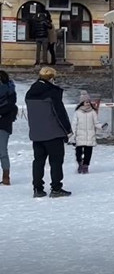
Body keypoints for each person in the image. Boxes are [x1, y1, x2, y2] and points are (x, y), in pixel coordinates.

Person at [25, 67, 72, 198]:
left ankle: (37, 188)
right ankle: (56, 188)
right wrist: (67, 130)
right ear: (52, 78)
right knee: (56, 161)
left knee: (38, 162)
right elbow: (59, 114)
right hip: (53, 133)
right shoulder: (52, 93)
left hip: (36, 134)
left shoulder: (30, 93)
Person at [71, 94, 105, 174]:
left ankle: (86, 165)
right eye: (86, 102)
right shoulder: (77, 113)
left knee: (88, 152)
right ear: (82, 103)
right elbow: (74, 124)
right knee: (78, 152)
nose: (88, 103)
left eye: (89, 102)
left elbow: (96, 123)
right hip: (80, 135)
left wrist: (101, 126)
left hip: (90, 135)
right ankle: (80, 163)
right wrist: (73, 136)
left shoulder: (93, 112)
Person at [0, 70, 19, 185]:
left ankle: (6, 176)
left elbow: (10, 106)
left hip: (4, 124)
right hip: (5, 122)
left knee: (2, 150)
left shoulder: (10, 91)